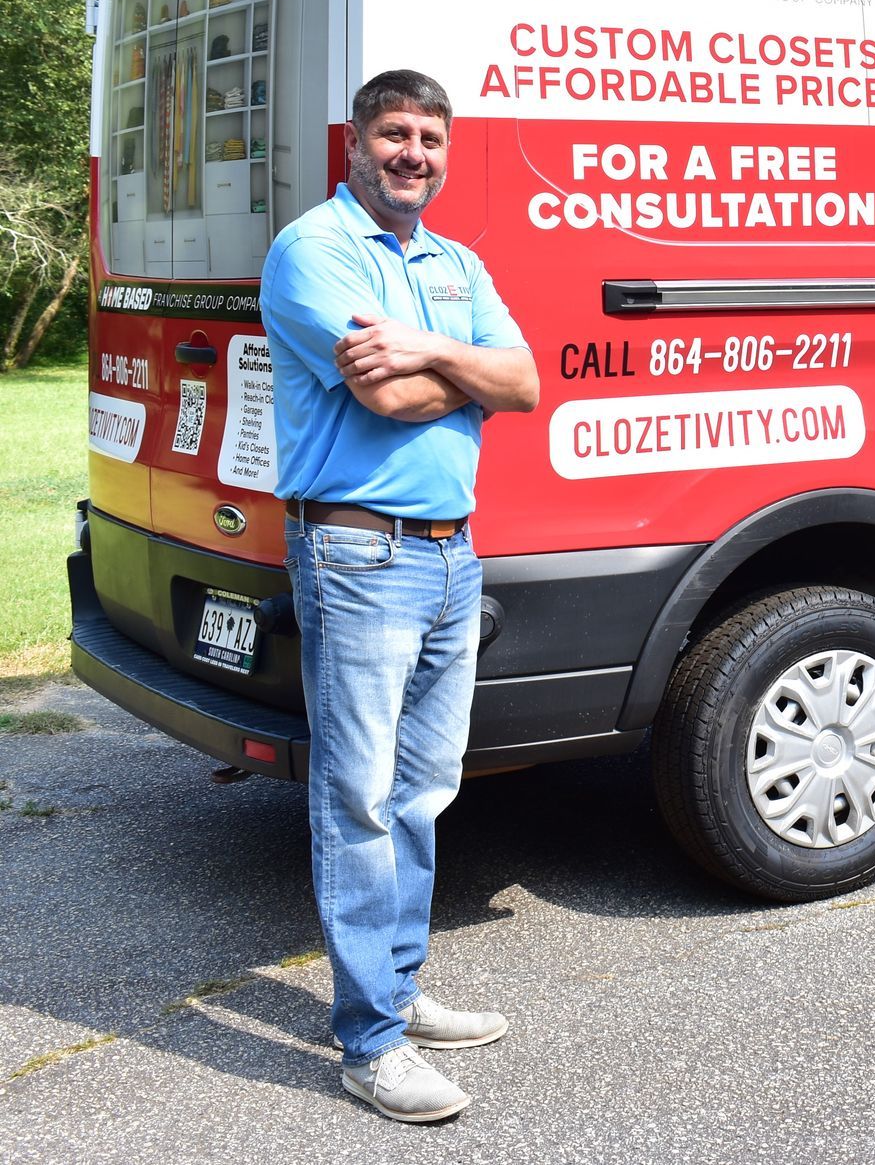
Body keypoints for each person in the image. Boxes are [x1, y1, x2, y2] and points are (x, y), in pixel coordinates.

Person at [261, 69, 539, 1123]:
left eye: (428, 136)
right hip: (358, 557)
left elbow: (527, 382)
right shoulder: (315, 250)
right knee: (359, 797)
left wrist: (428, 344)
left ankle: (402, 986)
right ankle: (369, 1041)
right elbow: (381, 397)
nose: (411, 152)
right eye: (393, 133)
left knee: (424, 787)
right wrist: (467, 370)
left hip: (450, 555)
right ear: (355, 142)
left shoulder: (454, 262)